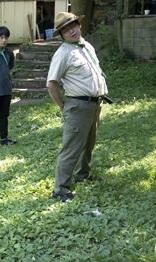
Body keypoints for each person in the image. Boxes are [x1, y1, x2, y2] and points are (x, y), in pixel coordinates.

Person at [46, 12, 109, 202]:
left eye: (73, 26)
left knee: (88, 144)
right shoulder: (63, 53)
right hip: (78, 105)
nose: (71, 31)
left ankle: (83, 175)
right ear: (62, 34)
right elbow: (51, 83)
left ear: (79, 25)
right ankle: (60, 190)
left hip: (94, 104)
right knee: (72, 147)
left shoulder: (86, 46)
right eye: (66, 30)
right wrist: (62, 106)